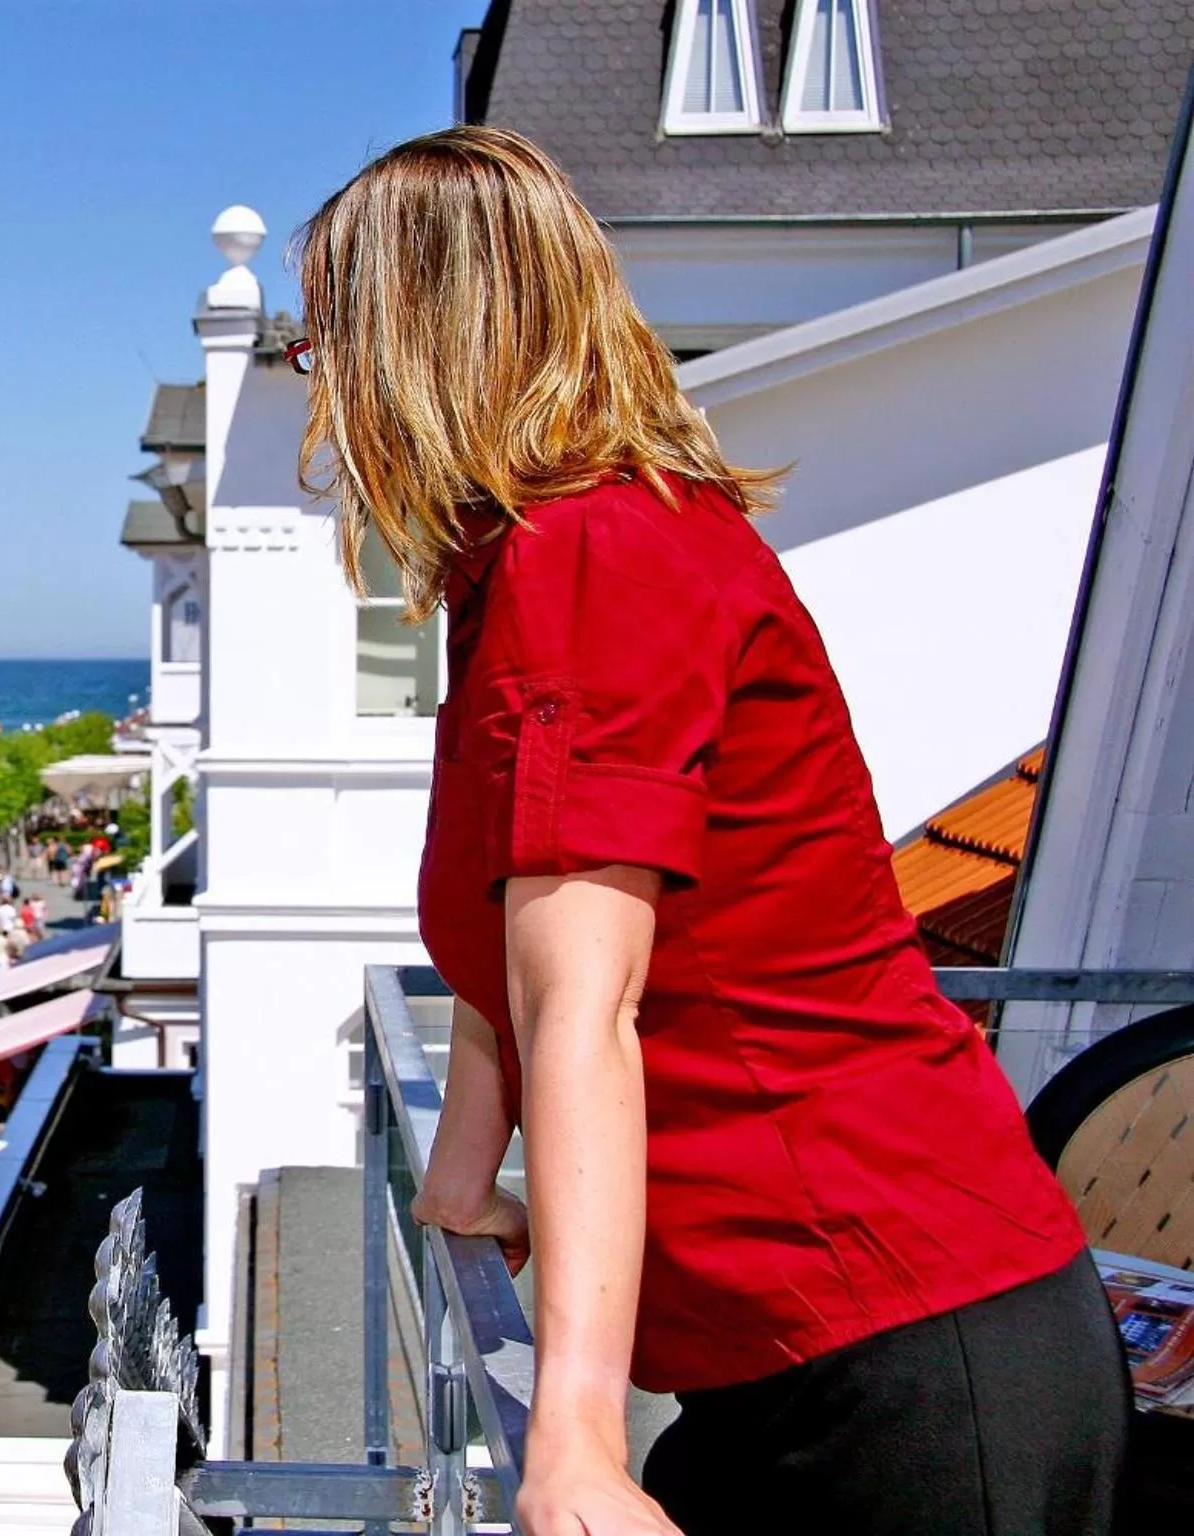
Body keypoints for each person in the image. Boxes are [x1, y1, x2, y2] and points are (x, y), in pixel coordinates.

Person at [298, 126, 1123, 1535]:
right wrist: (462, 1187)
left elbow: (589, 1003)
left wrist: (571, 1439)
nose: (324, 384)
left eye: (330, 339)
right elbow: (515, 967)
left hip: (897, 1346)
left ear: (412, 340)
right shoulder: (549, 558)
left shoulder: (592, 560)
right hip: (808, 1344)